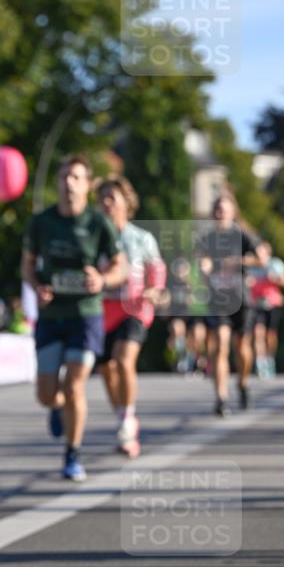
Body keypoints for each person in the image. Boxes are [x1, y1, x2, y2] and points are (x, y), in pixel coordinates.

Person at [22, 154, 125, 482]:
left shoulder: (98, 223)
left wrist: (103, 280)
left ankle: (72, 454)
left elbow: (120, 267)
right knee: (47, 393)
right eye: (64, 176)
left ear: (87, 185)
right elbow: (27, 265)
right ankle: (56, 407)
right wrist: (37, 286)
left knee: (76, 385)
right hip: (51, 316)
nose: (69, 183)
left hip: (85, 316)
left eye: (76, 177)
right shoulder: (41, 222)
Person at [96, 176, 166, 458]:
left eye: (112, 197)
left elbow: (157, 270)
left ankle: (126, 422)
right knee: (106, 369)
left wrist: (154, 290)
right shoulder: (93, 236)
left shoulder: (142, 238)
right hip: (101, 311)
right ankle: (124, 417)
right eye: (102, 198)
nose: (106, 203)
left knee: (124, 359)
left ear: (127, 202)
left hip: (134, 309)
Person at [198, 192, 260, 416]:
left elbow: (262, 257)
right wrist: (204, 266)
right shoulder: (208, 238)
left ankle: (242, 384)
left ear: (233, 212)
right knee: (220, 345)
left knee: (242, 347)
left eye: (224, 210)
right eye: (217, 210)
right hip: (219, 299)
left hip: (242, 298)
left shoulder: (242, 235)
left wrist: (240, 261)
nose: (220, 214)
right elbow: (202, 259)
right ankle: (221, 397)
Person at [248, 241, 284, 378]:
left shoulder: (275, 264)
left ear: (268, 252)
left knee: (270, 335)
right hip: (256, 304)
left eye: (262, 251)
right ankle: (261, 364)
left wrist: (275, 279)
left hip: (272, 304)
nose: (259, 254)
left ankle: (270, 358)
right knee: (258, 333)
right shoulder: (251, 265)